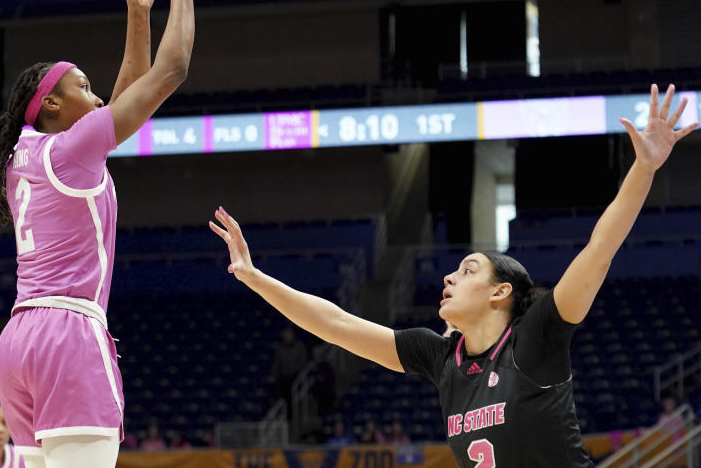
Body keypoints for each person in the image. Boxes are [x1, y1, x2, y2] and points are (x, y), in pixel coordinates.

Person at [209, 84, 697, 467]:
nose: (449, 277)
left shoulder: (539, 335)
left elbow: (601, 246)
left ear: (501, 291)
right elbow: (335, 325)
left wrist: (644, 169)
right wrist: (254, 277)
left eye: (467, 270)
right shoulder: (440, 356)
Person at [0, 0, 198, 468]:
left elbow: (123, 98)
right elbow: (170, 71)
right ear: (51, 104)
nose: (98, 97)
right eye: (83, 86)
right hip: (67, 333)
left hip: (18, 342)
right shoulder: (73, 150)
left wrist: (138, 14)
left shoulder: (20, 156)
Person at [273, 327, 308, 415]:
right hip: (284, 378)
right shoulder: (280, 348)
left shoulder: (299, 346)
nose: (288, 336)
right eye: (286, 334)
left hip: (296, 377)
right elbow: (277, 364)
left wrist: (297, 372)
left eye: (289, 334)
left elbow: (302, 362)